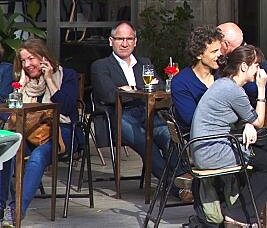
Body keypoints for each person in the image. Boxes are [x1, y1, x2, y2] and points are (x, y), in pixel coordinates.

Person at [190, 45, 267, 224]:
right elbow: (259, 120)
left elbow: (246, 119)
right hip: (214, 152)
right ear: (243, 66)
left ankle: (240, 216)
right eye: (256, 65)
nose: (259, 70)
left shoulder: (225, 85)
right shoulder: (232, 90)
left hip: (212, 147)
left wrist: (248, 123)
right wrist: (261, 89)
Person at [91, 21, 178, 196]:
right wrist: (139, 90)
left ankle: (182, 178)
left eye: (129, 39)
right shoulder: (101, 66)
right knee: (147, 143)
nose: (125, 43)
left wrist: (129, 89)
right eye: (120, 39)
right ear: (111, 41)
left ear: (135, 41)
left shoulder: (144, 63)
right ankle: (174, 187)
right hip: (119, 115)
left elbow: (159, 87)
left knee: (171, 137)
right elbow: (108, 94)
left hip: (147, 113)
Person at [0, 39, 80, 224]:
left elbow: (66, 108)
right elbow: (11, 116)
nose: (27, 65)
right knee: (5, 150)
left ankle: (16, 211)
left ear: (43, 57)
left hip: (63, 131)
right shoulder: (24, 83)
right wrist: (20, 85)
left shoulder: (66, 75)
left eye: (31, 59)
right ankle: (0, 207)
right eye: (23, 61)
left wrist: (50, 79)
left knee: (38, 156)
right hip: (30, 132)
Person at [171, 26, 226, 131]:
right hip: (198, 138)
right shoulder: (181, 82)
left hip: (226, 132)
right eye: (214, 51)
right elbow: (191, 119)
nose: (220, 55)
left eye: (220, 50)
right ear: (199, 54)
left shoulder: (222, 75)